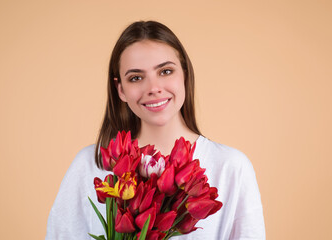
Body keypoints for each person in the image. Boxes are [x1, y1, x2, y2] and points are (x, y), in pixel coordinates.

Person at [46, 21, 265, 239]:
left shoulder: (231, 168)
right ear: (120, 90)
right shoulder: (89, 165)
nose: (153, 88)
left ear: (185, 75)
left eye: (166, 71)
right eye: (136, 78)